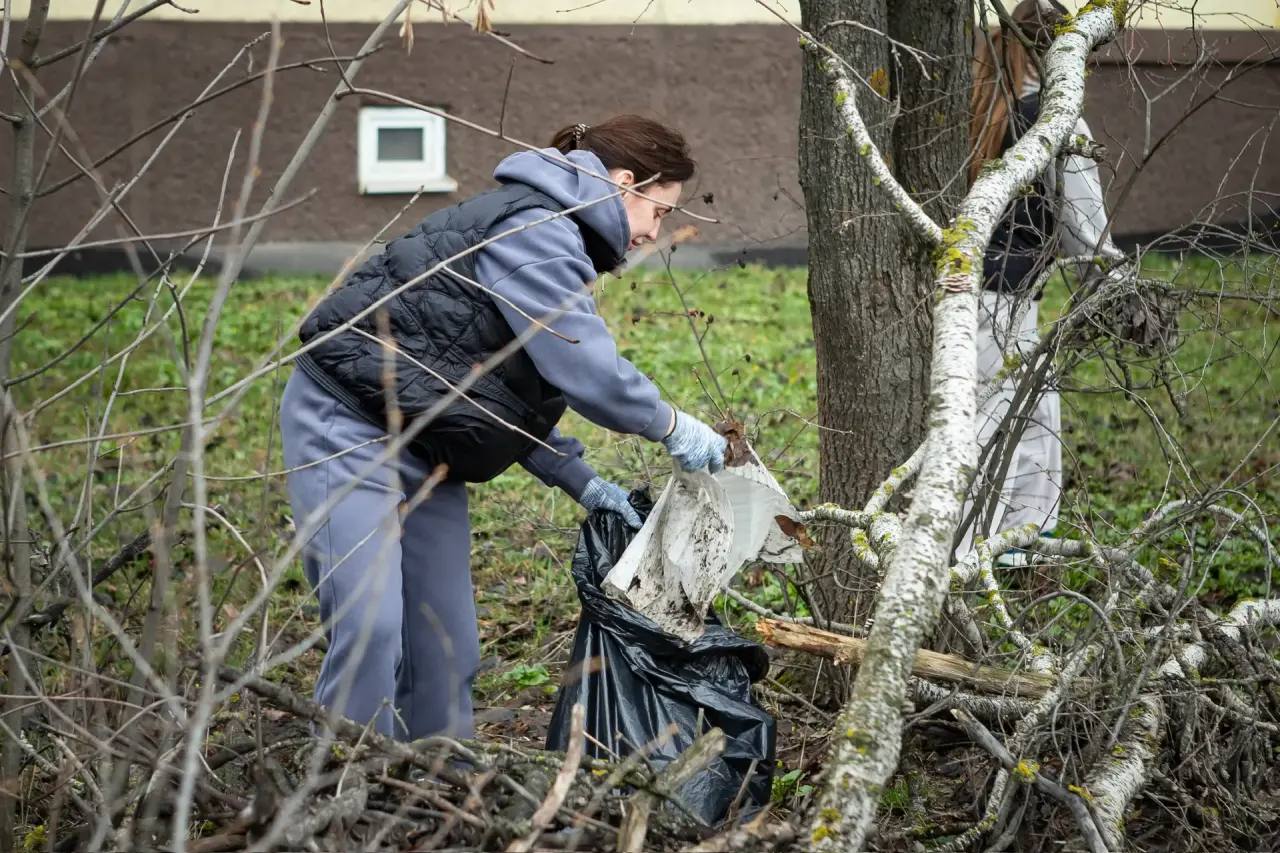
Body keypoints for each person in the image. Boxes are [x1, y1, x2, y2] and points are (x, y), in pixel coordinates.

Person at [279, 115, 728, 740]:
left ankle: (439, 790)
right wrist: (672, 425)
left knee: (446, 642)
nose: (654, 233)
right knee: (369, 631)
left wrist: (582, 480)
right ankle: (338, 798)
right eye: (660, 211)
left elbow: (491, 391)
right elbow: (584, 365)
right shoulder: (535, 229)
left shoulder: (556, 236)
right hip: (348, 423)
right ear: (627, 183)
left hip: (430, 442)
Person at [960, 0, 1127, 558]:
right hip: (1000, 306)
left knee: (1030, 418)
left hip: (954, 293)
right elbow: (1086, 235)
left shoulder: (974, 108)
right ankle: (979, 561)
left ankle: (1015, 553)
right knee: (1001, 432)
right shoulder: (1054, 121)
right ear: (1064, 53)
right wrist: (1123, 296)